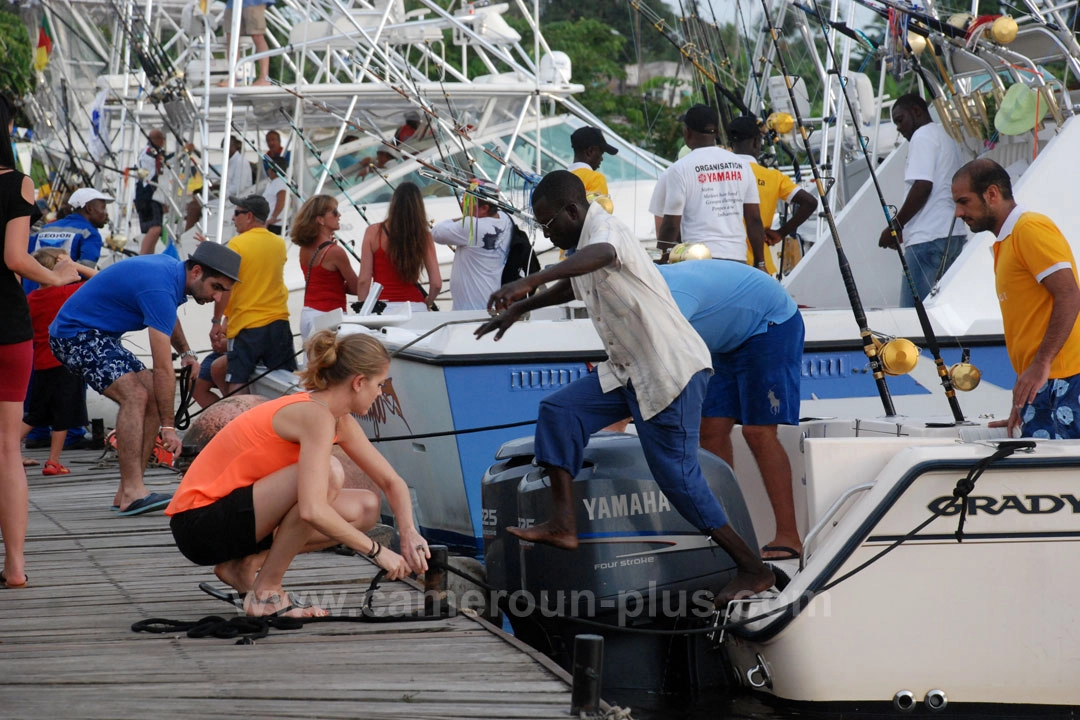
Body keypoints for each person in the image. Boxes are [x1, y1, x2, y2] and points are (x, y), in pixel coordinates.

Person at [475, 171, 774, 606]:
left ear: (573, 211)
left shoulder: (605, 232)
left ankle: (753, 567)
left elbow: (600, 255)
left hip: (668, 370)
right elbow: (572, 283)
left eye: (547, 223)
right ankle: (564, 525)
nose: (545, 232)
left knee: (678, 479)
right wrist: (521, 307)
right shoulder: (580, 246)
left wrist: (528, 279)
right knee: (561, 413)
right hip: (630, 370)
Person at [166, 330, 431, 618]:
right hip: (200, 524)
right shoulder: (314, 415)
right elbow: (312, 510)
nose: (380, 392)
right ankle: (266, 592)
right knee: (329, 474)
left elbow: (391, 481)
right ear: (358, 382)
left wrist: (408, 532)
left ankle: (244, 566)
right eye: (379, 384)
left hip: (236, 517)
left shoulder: (336, 418)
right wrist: (378, 552)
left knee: (366, 506)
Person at [49, 241, 241, 516]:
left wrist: (186, 352)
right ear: (197, 272)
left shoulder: (171, 275)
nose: (218, 298)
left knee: (149, 389)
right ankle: (131, 490)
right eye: (217, 288)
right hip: (73, 335)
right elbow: (163, 368)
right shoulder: (160, 286)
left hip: (99, 336)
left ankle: (131, 489)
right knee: (135, 395)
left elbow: (166, 316)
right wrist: (168, 427)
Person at [658, 259, 805, 559]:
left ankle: (789, 536)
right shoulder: (638, 292)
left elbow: (662, 360)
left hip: (770, 323)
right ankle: (730, 536)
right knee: (710, 431)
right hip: (726, 336)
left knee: (757, 432)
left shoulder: (673, 298)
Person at [1, 93, 80, 586]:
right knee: (7, 448)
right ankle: (16, 565)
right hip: (6, 326)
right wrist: (59, 278)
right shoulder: (17, 185)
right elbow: (15, 256)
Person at [952, 159, 1080, 439]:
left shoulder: (1029, 229)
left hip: (1067, 379)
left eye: (964, 201)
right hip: (1048, 384)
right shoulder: (1007, 241)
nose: (958, 212)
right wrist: (1024, 398)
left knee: (1060, 477)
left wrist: (1041, 364)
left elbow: (1069, 294)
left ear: (992, 194)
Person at [878, 93, 967, 306]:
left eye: (900, 120)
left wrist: (895, 226)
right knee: (939, 310)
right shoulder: (945, 137)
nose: (898, 128)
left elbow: (923, 186)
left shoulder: (922, 136)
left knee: (914, 315)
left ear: (917, 112)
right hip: (952, 234)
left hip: (927, 241)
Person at [657, 105, 766, 267]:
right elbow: (754, 220)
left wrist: (661, 258)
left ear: (687, 132)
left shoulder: (679, 169)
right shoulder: (742, 166)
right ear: (718, 133)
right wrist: (760, 263)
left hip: (698, 259)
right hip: (737, 260)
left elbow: (671, 224)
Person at [20, 249, 97, 476]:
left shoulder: (30, 299)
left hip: (41, 363)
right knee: (63, 415)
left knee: (36, 414)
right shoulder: (68, 293)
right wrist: (76, 266)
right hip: (65, 361)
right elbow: (101, 279)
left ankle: (6, 448)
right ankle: (53, 461)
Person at [212, 194, 296, 394]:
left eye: (237, 213)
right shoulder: (279, 244)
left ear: (249, 216)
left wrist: (217, 320)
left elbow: (225, 288)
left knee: (237, 381)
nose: (233, 218)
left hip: (247, 325)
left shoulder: (237, 244)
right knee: (286, 381)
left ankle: (240, 423)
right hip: (279, 322)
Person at [727, 116, 818, 275]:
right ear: (756, 142)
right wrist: (781, 232)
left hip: (725, 261)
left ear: (730, 144)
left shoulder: (721, 175)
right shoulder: (773, 177)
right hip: (760, 264)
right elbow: (809, 202)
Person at [358, 182, 441, 311]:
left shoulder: (373, 232)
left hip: (383, 307)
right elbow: (436, 284)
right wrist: (429, 302)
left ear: (394, 203)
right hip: (415, 307)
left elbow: (364, 280)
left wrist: (362, 308)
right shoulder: (424, 236)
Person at [432, 185, 513, 311]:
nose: (463, 203)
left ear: (485, 208)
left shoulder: (471, 227)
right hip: (491, 302)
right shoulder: (505, 218)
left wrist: (465, 219)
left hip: (472, 309)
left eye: (468, 201)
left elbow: (437, 232)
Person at [291, 194, 359, 340]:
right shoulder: (335, 252)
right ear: (320, 220)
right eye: (334, 212)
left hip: (308, 314)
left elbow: (320, 280)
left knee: (312, 362)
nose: (339, 215)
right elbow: (357, 288)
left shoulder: (304, 249)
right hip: (330, 317)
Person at [24, 187, 112, 293]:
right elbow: (85, 271)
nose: (106, 213)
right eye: (103, 208)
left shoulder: (45, 228)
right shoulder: (90, 234)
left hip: (32, 296)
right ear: (89, 209)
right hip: (61, 299)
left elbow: (25, 262)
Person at [222, 0, 272, 86]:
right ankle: (233, 77)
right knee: (231, 37)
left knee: (257, 36)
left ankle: (264, 78)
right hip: (232, 3)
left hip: (254, 2)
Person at [136, 128, 167, 256]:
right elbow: (156, 171)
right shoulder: (150, 152)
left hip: (150, 195)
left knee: (155, 230)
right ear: (158, 140)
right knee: (155, 228)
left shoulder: (148, 152)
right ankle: (143, 257)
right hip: (148, 196)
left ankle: (148, 257)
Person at [568, 126, 617, 202]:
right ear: (590, 151)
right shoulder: (595, 179)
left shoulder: (561, 179)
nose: (601, 158)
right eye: (601, 153)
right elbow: (599, 211)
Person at [262, 156, 288, 235]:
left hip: (275, 225)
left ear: (273, 170)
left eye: (269, 168)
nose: (268, 171)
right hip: (272, 224)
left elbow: (282, 199)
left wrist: (273, 217)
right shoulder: (275, 182)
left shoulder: (279, 182)